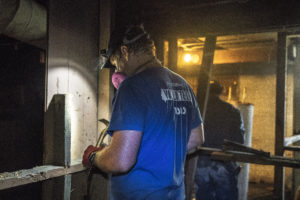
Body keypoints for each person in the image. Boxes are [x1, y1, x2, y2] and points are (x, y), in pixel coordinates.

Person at [82, 25, 204, 200]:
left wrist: (95, 156)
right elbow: (195, 139)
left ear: (125, 52)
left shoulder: (131, 87)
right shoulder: (182, 84)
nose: (117, 70)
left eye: (116, 62)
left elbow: (121, 160)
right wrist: (154, 152)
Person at [194, 81, 245, 200]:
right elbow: (239, 140)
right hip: (224, 165)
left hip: (201, 165)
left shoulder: (197, 110)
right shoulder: (232, 111)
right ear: (221, 92)